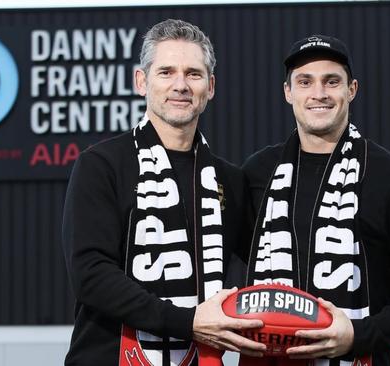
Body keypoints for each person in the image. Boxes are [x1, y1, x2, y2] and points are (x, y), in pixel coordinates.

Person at [62, 19, 266, 366]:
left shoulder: (229, 180)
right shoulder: (101, 165)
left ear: (211, 87)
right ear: (141, 81)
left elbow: (270, 262)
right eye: (166, 72)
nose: (181, 85)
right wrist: (189, 323)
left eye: (193, 74)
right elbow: (91, 276)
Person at [242, 35, 390, 365]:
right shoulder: (257, 173)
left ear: (351, 89)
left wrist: (358, 335)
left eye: (332, 81)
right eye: (305, 81)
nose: (319, 93)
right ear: (288, 93)